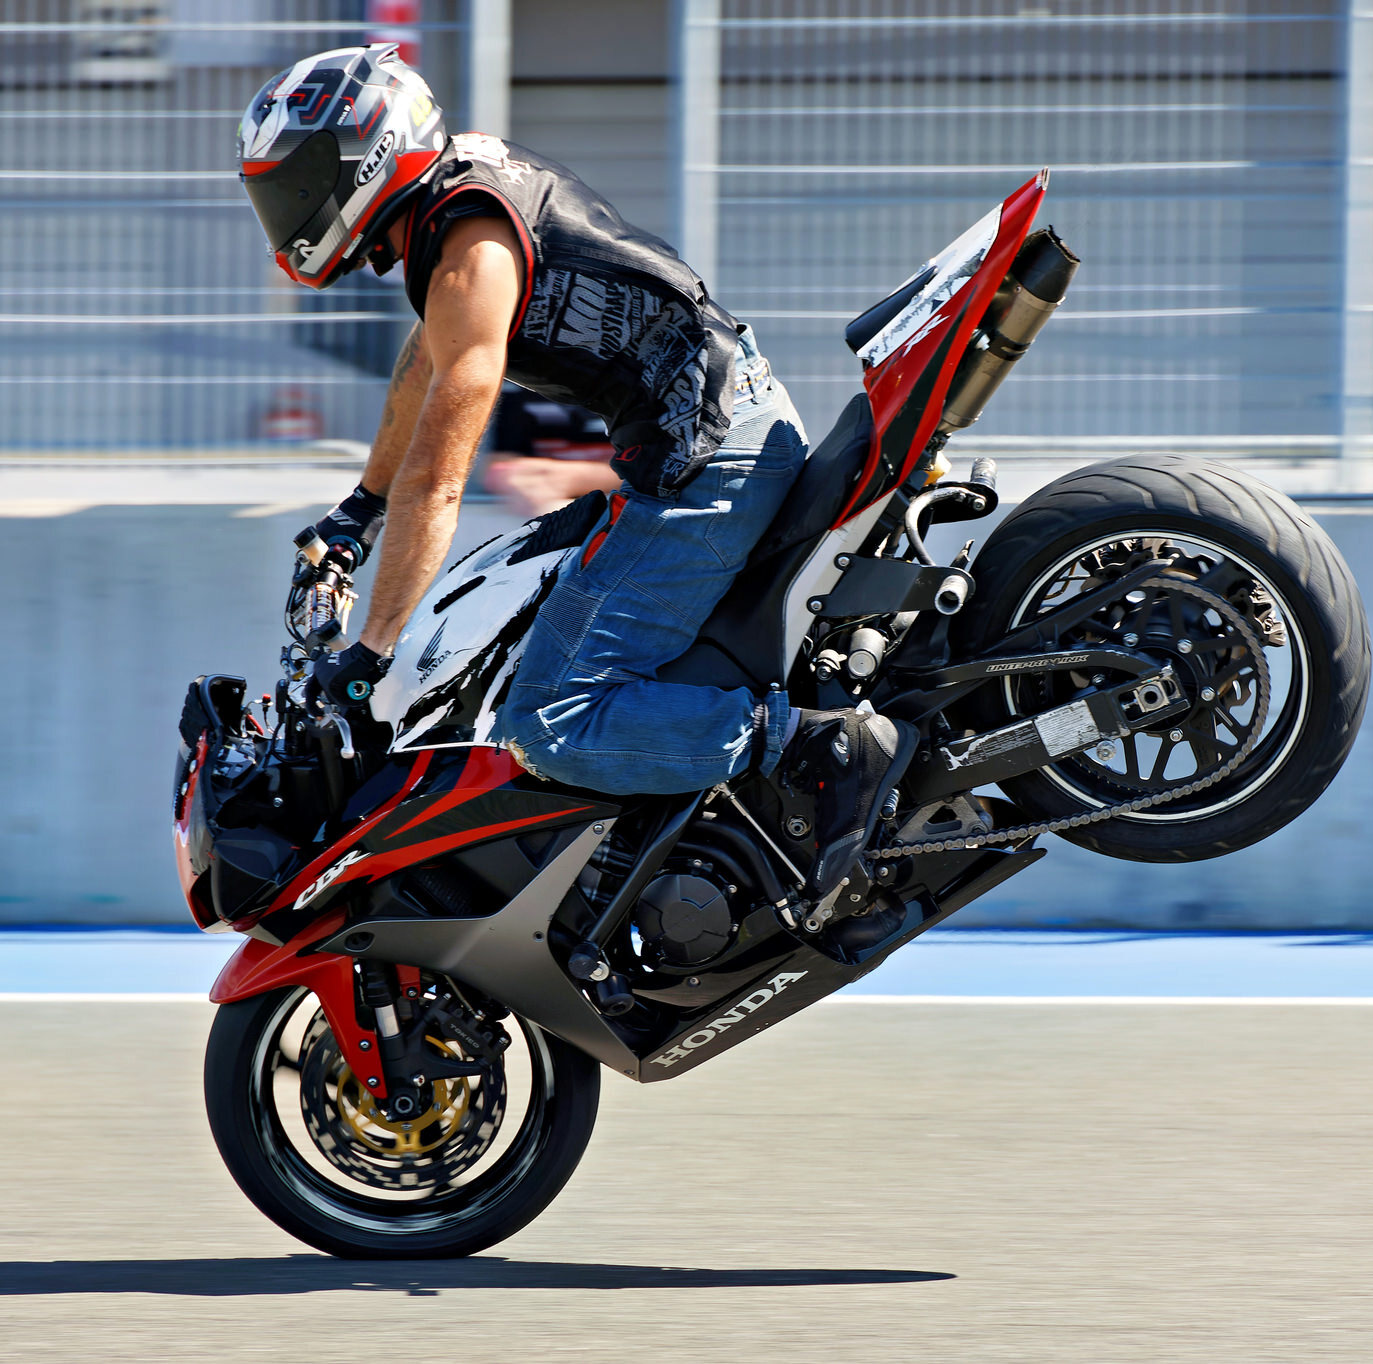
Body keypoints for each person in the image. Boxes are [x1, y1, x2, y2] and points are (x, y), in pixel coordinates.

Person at [237, 44, 912, 901]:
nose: (287, 205)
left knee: (551, 718)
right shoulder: (459, 203)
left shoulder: (472, 257)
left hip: (711, 461)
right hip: (709, 437)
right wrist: (361, 507)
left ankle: (816, 747)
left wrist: (372, 652)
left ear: (363, 158)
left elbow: (438, 484)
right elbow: (422, 366)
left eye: (295, 181)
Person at [478, 385, 621, 517]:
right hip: (541, 510)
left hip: (621, 505)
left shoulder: (629, 381)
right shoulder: (510, 388)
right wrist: (509, 475)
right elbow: (494, 463)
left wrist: (577, 479)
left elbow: (636, 468)